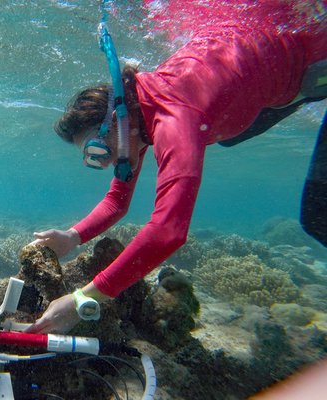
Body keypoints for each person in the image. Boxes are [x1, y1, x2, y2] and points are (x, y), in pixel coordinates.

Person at [26, 1, 327, 334]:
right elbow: (116, 202)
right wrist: (72, 236)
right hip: (266, 85)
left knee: (320, 215)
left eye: (98, 151)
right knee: (228, 134)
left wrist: (83, 298)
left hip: (316, 62)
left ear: (115, 120)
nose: (107, 162)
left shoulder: (173, 120)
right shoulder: (136, 111)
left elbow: (169, 231)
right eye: (95, 159)